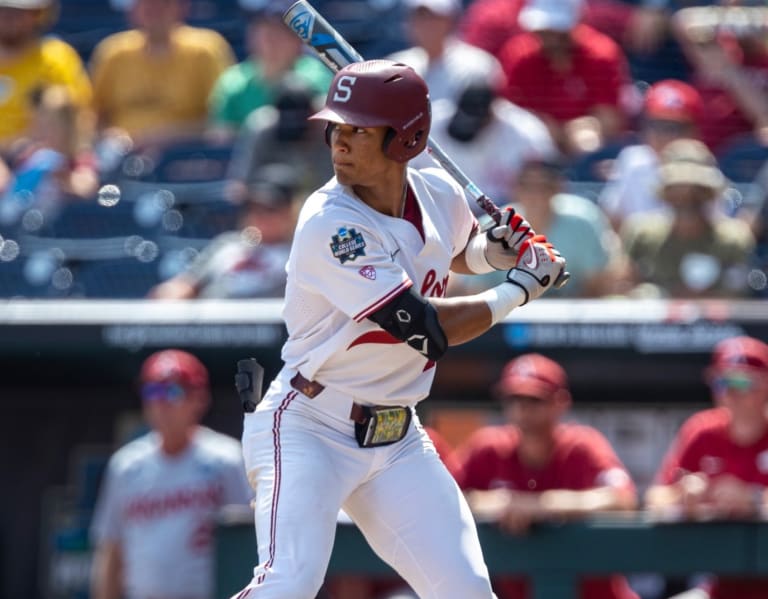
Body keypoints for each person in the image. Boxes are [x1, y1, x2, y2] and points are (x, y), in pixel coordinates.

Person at [228, 59, 566, 599]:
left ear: (405, 138)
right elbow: (422, 327)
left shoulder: (437, 194)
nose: (339, 142)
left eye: (358, 130)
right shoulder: (329, 222)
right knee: (287, 584)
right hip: (311, 423)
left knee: (468, 591)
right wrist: (519, 288)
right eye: (336, 128)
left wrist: (495, 251)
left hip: (396, 434)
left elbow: (455, 252)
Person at [454, 352, 639, 599]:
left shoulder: (580, 444)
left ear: (560, 402)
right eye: (514, 399)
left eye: (533, 399)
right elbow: (445, 497)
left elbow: (623, 500)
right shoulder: (489, 447)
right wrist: (494, 502)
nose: (522, 409)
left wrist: (543, 505)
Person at [89, 349, 253, 599]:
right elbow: (111, 550)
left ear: (199, 398)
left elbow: (249, 544)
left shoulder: (226, 460)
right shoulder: (126, 466)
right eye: (153, 392)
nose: (161, 403)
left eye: (173, 392)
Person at [645, 335, 768, 599]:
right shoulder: (702, 430)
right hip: (720, 585)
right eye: (723, 381)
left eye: (743, 382)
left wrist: (754, 499)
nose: (731, 393)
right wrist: (685, 494)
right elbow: (655, 498)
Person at [451, 159, 627, 298]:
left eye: (544, 186)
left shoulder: (583, 219)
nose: (536, 194)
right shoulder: (491, 228)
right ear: (515, 189)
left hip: (573, 317)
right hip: (506, 316)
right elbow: (476, 290)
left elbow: (600, 282)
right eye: (527, 186)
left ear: (558, 188)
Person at [620, 138, 755, 298]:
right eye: (677, 188)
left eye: (697, 190)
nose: (686, 196)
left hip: (717, 321)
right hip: (653, 320)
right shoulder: (641, 234)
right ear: (665, 192)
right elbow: (623, 286)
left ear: (710, 193)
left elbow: (740, 293)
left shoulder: (734, 239)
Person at [495, 0, 632, 157]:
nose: (550, 39)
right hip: (533, 143)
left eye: (558, 31)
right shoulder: (518, 54)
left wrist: (577, 128)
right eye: (544, 31)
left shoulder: (601, 54)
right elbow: (507, 113)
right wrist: (541, 126)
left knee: (586, 139)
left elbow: (610, 119)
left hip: (584, 141)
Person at [89, 0, 235, 146]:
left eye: (163, 4)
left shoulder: (206, 51)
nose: (154, 10)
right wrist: (111, 136)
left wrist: (169, 136)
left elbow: (220, 120)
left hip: (187, 156)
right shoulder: (113, 53)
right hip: (122, 156)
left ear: (182, 7)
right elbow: (93, 115)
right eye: (146, 4)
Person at [148, 163, 298, 299]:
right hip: (213, 324)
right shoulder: (227, 244)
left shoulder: (297, 254)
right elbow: (186, 284)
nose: (259, 216)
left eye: (269, 209)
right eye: (253, 207)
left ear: (289, 212)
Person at [409, 81, 558, 216]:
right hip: (439, 212)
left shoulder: (526, 133)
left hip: (501, 216)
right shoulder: (431, 122)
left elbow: (549, 180)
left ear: (491, 115)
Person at [208, 4, 332, 136]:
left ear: (297, 41)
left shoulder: (316, 77)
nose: (272, 43)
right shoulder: (232, 84)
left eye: (281, 34)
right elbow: (220, 138)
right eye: (265, 34)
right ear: (251, 38)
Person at [599, 78, 703, 232]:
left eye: (674, 128)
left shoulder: (704, 167)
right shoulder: (632, 160)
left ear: (694, 132)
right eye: (656, 125)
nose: (663, 136)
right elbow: (611, 222)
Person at [671, 2, 768, 154]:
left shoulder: (763, 63)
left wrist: (731, 74)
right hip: (698, 150)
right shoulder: (718, 48)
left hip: (740, 158)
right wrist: (745, 21)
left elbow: (764, 116)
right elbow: (683, 19)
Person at [225, 75, 333, 204]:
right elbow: (240, 186)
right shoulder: (262, 128)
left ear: (312, 111)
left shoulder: (329, 128)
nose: (294, 124)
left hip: (325, 205)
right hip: (276, 209)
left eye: (300, 118)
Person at [0, 0, 92, 150]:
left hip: (37, 159)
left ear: (37, 14)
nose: (8, 18)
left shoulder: (57, 57)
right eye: (2, 10)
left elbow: (75, 120)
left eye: (18, 12)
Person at [387, 0, 504, 105]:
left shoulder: (478, 65)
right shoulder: (395, 65)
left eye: (432, 17)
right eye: (418, 16)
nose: (424, 24)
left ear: (450, 21)